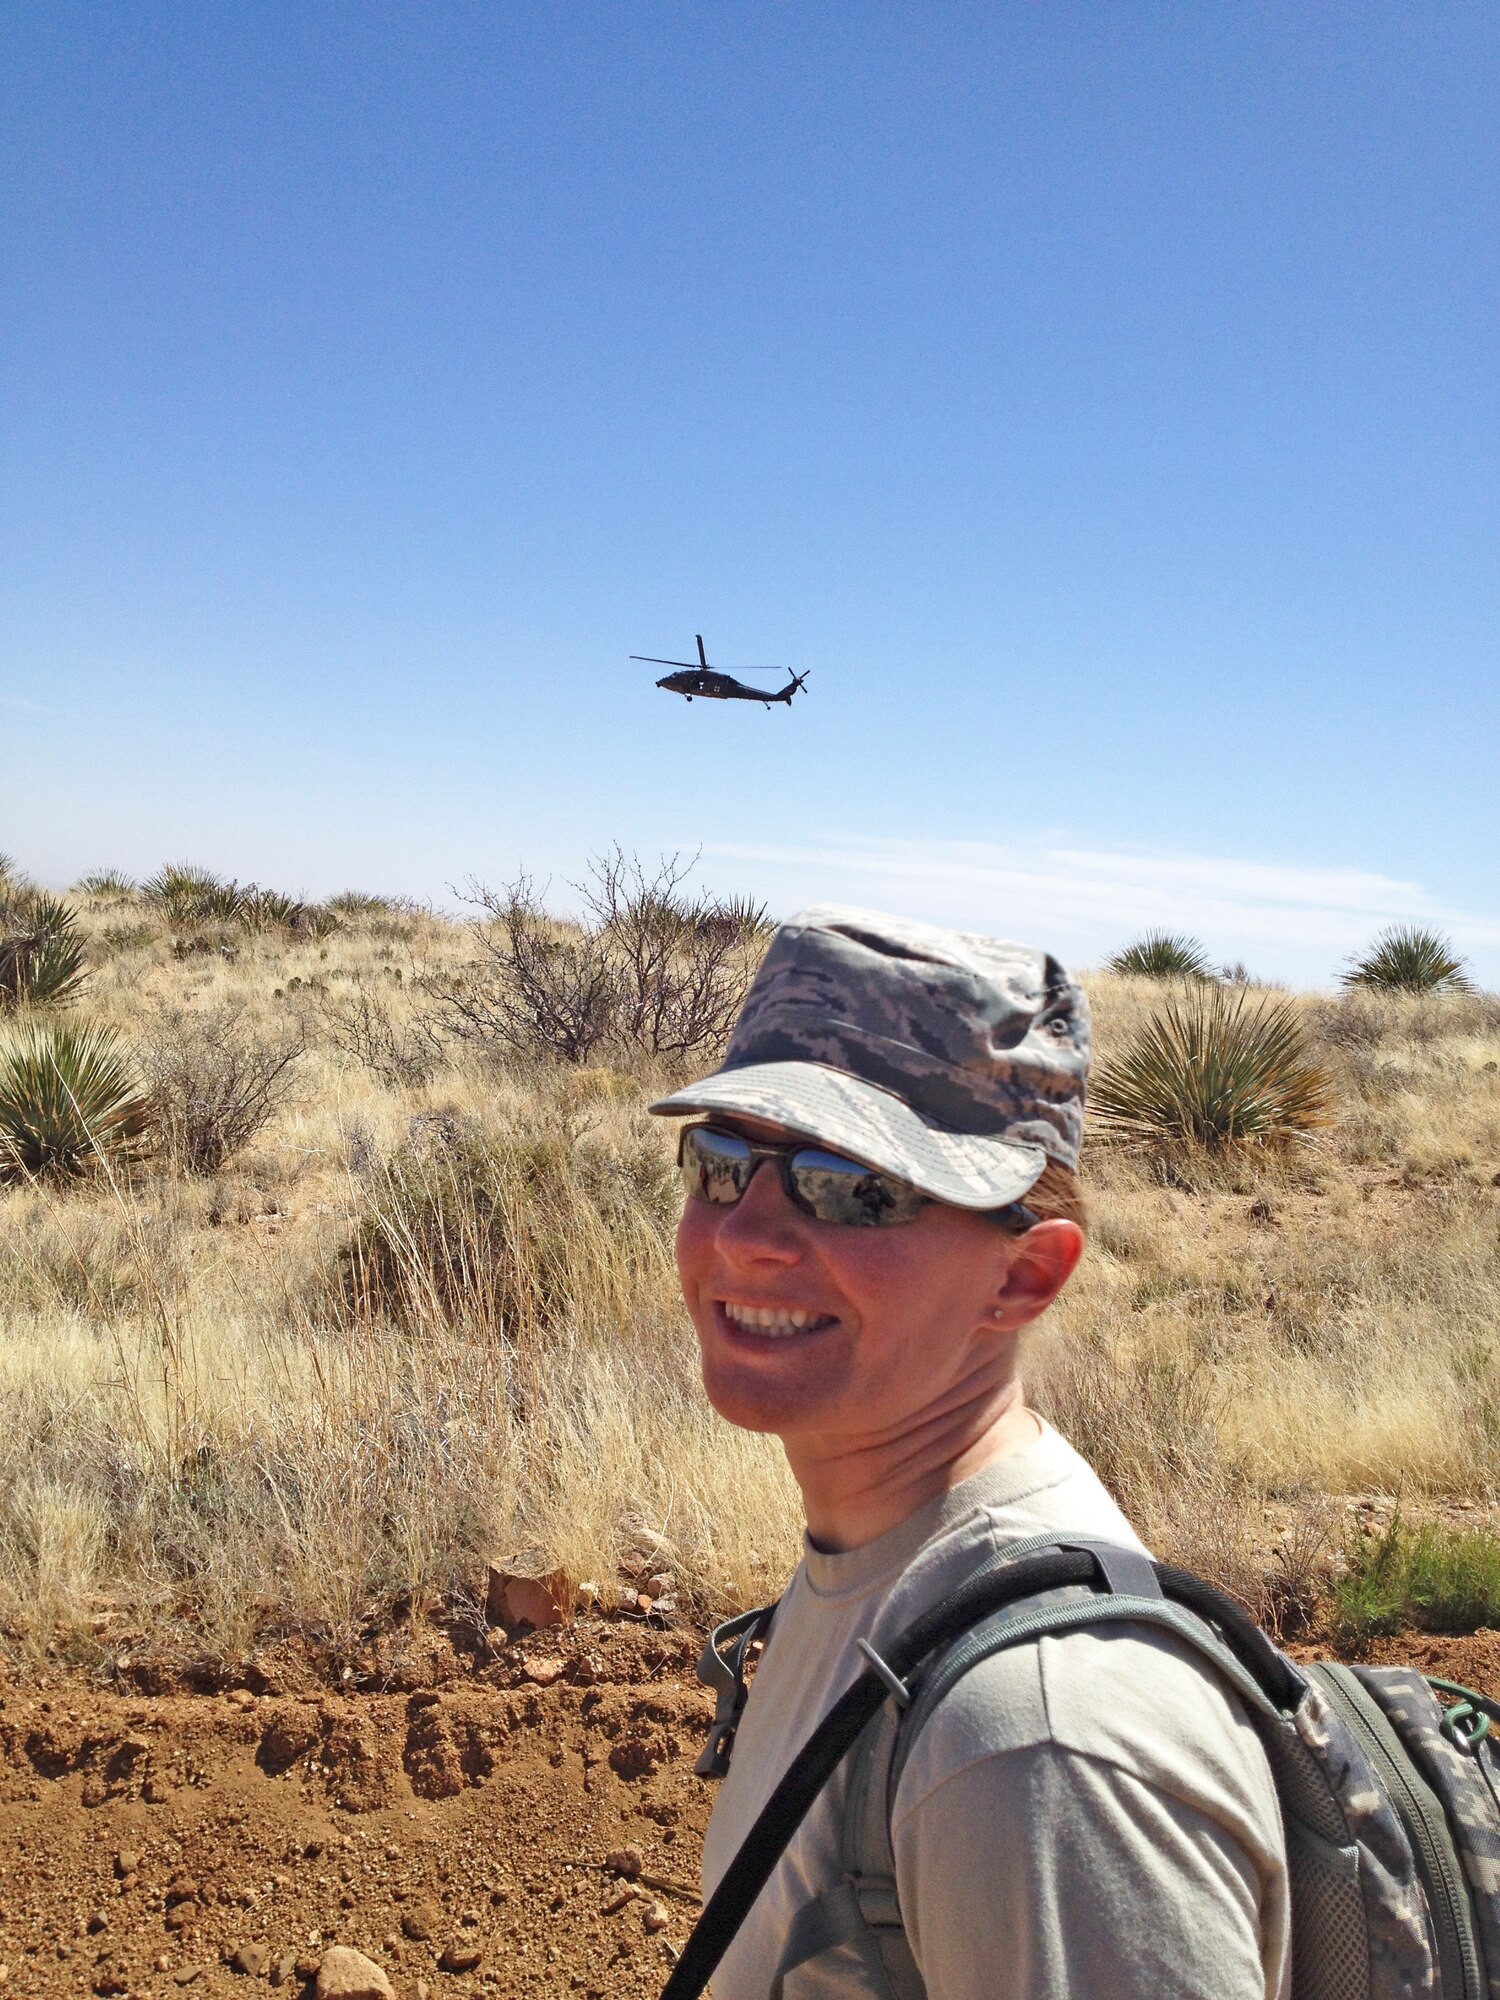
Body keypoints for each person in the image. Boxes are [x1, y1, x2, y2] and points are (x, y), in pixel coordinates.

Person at [650, 905, 1290, 2000]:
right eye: (722, 1162)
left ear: (1023, 1277)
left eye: (854, 1187)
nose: (747, 1233)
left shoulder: (1037, 1744)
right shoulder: (883, 1569)